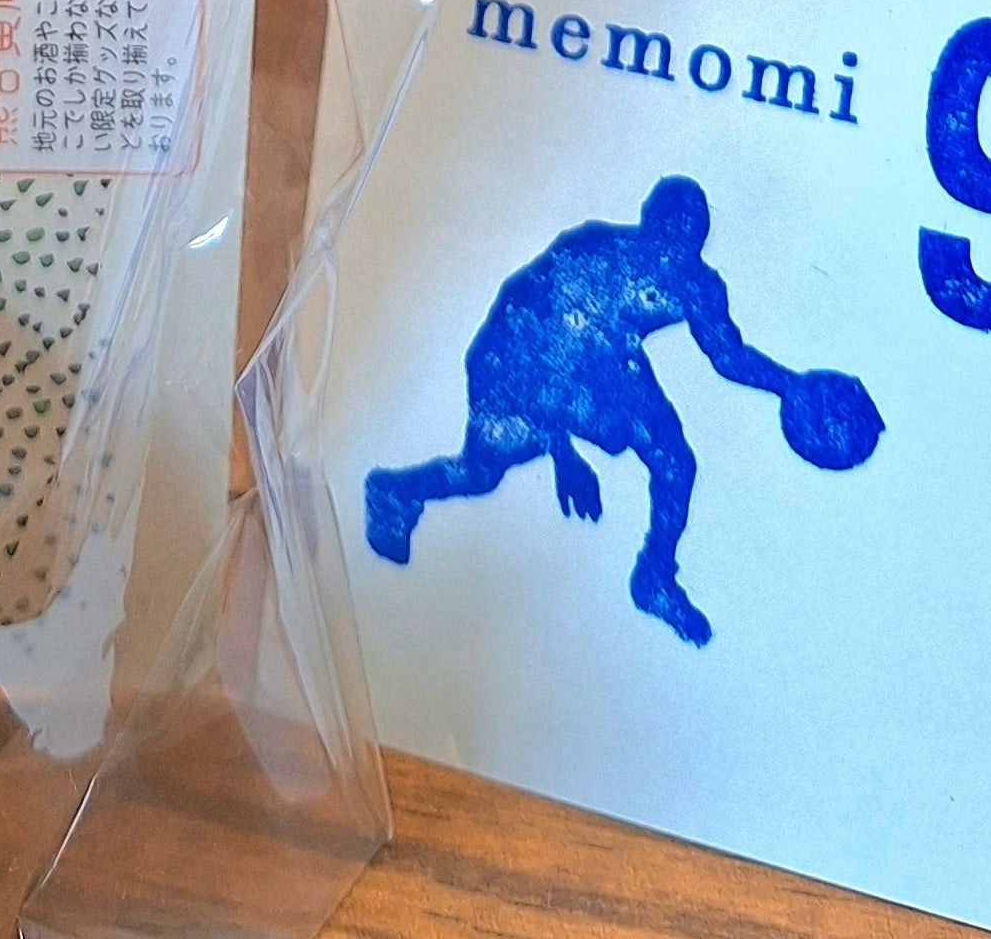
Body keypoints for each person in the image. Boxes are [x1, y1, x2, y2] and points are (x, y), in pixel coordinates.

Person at [363, 175, 881, 644]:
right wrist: (561, 452)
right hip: (519, 360)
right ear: (648, 227)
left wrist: (788, 385)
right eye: (666, 238)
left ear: (697, 241)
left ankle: (654, 576)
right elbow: (529, 332)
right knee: (481, 473)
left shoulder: (695, 285)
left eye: (686, 242)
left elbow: (727, 356)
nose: (672, 254)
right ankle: (395, 491)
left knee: (674, 461)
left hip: (608, 359)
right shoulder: (592, 254)